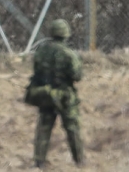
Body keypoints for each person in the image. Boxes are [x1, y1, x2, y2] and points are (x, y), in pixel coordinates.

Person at [29, 19, 84, 168]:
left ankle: (39, 161)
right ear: (65, 34)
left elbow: (37, 71)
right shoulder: (68, 54)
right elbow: (77, 75)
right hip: (65, 96)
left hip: (46, 94)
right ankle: (79, 160)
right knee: (72, 128)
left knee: (44, 127)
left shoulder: (40, 51)